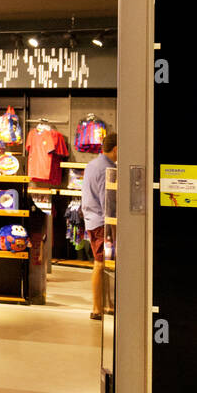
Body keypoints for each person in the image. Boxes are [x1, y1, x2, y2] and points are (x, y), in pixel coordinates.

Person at [82, 132, 118, 320]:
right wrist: (114, 227)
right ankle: (97, 308)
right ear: (116, 149)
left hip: (91, 219)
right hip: (101, 222)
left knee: (102, 263)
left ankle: (106, 305)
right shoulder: (107, 169)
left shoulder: (92, 164)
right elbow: (108, 202)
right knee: (100, 263)